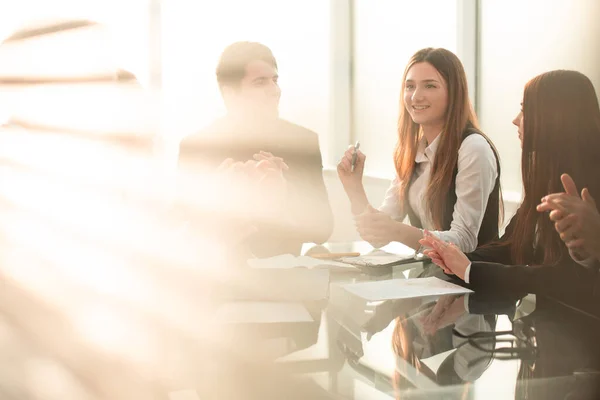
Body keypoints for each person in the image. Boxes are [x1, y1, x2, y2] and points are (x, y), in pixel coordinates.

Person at [419, 70, 600, 307]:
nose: (516, 119)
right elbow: (511, 246)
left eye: (525, 110)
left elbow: (565, 280)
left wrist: (471, 271)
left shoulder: (587, 188)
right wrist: (457, 259)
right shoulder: (545, 180)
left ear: (554, 117)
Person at [337, 47, 501, 253]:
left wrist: (397, 231)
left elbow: (464, 241)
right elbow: (377, 237)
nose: (416, 97)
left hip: (471, 281)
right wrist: (354, 188)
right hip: (429, 279)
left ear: (454, 93)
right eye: (410, 86)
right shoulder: (412, 151)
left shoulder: (473, 148)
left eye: (430, 86)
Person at [179, 41, 333, 257]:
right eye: (260, 83)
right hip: (219, 279)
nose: (275, 91)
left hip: (288, 280)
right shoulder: (197, 147)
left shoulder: (303, 141)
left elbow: (322, 231)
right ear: (230, 94)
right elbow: (188, 233)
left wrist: (285, 192)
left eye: (275, 80)